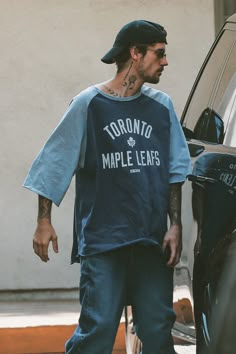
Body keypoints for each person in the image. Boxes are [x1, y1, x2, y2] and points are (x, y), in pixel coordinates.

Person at [24, 20, 191, 354]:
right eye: (159, 54)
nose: (165, 62)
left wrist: (175, 225)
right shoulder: (89, 104)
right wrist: (44, 221)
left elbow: (175, 169)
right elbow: (55, 161)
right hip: (103, 240)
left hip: (150, 240)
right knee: (98, 330)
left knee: (158, 329)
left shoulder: (162, 106)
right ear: (135, 53)